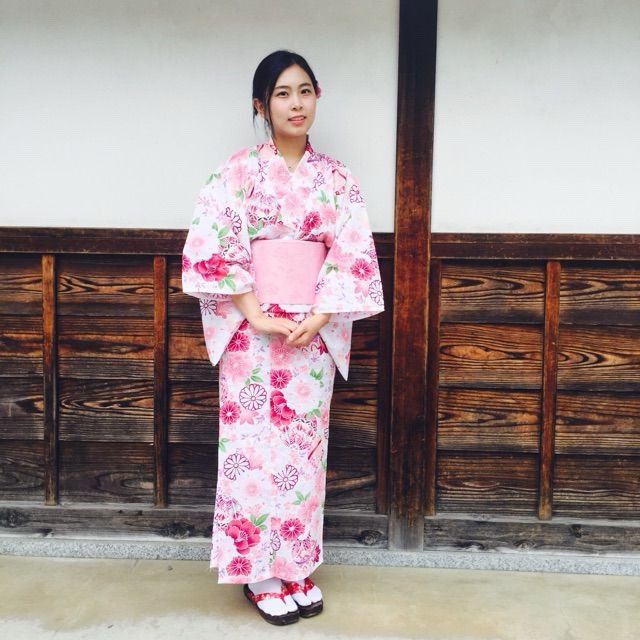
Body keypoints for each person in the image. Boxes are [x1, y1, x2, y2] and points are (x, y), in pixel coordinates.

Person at [181, 50, 384, 626]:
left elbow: (350, 254)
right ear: (261, 105)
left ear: (317, 96)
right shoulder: (236, 172)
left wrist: (319, 316)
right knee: (250, 450)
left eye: (305, 91)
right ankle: (257, 572)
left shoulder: (337, 179)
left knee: (303, 452)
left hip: (310, 334)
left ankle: (294, 563)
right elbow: (213, 244)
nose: (296, 104)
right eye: (282, 94)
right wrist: (256, 313)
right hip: (251, 332)